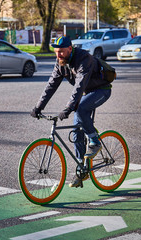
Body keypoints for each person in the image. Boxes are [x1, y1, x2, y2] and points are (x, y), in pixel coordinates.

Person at [30, 36, 112, 188]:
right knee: (76, 132)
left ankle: (94, 140)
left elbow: (79, 86)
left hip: (102, 90)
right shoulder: (60, 63)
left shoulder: (84, 58)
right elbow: (51, 85)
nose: (58, 55)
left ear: (70, 49)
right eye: (56, 52)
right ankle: (82, 169)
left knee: (80, 109)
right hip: (87, 93)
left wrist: (68, 108)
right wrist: (38, 107)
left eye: (61, 52)